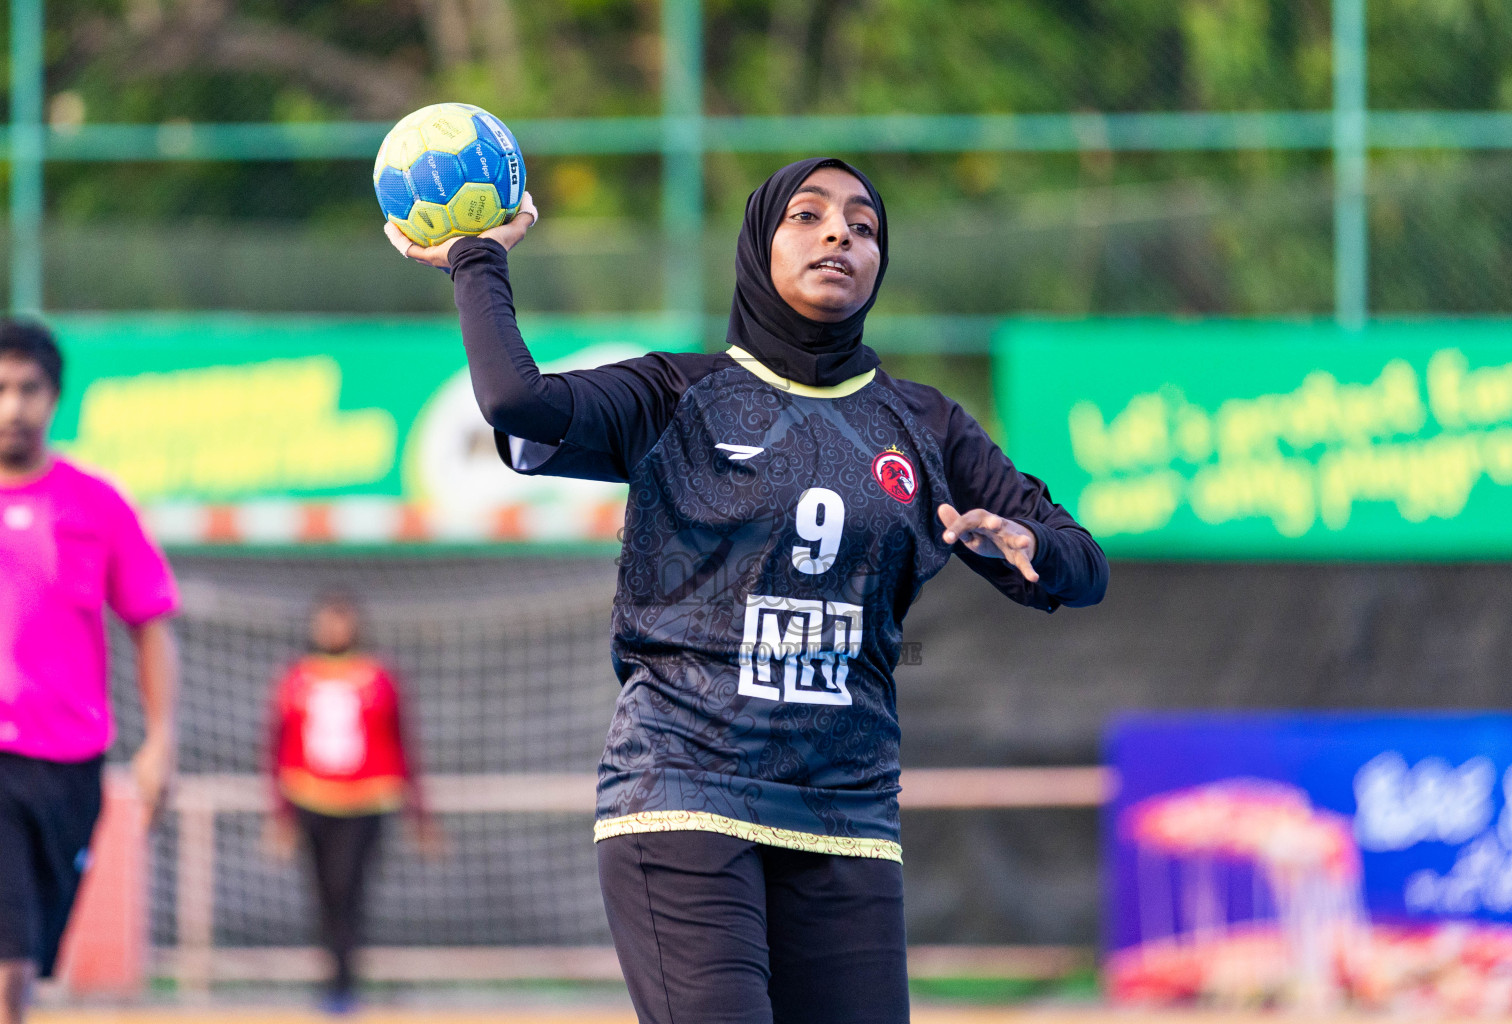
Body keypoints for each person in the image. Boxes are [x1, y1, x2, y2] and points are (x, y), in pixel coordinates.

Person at [386, 156, 1109, 1024]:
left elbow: (1080, 565)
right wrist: (478, 261)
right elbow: (514, 400)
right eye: (808, 215)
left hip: (846, 811)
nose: (840, 232)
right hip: (683, 791)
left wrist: (1031, 545)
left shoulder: (926, 425)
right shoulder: (676, 392)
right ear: (757, 245)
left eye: (864, 225)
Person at [0, 319, 179, 1024]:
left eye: (29, 389)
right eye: (1, 389)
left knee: (30, 960)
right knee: (9, 965)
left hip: (71, 765)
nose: (14, 406)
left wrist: (162, 739)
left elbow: (151, 621)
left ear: (55, 397)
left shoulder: (95, 505)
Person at [264, 590, 436, 1015]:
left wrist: (420, 813)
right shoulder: (296, 678)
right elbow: (276, 748)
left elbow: (404, 744)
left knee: (348, 888)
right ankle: (332, 977)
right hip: (310, 797)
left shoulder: (378, 677)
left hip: (368, 801)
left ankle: (344, 981)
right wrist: (280, 815)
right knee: (323, 892)